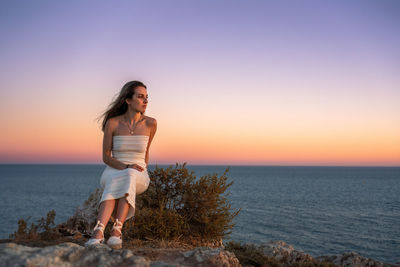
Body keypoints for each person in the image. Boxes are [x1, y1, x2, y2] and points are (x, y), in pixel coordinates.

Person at [84, 80, 157, 249]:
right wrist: (125, 166)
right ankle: (101, 231)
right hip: (114, 168)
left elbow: (146, 153)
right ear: (128, 100)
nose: (145, 101)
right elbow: (106, 157)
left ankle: (115, 230)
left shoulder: (151, 123)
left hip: (138, 171)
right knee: (124, 175)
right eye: (140, 97)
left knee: (130, 175)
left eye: (147, 97)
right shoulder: (113, 123)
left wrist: (140, 168)